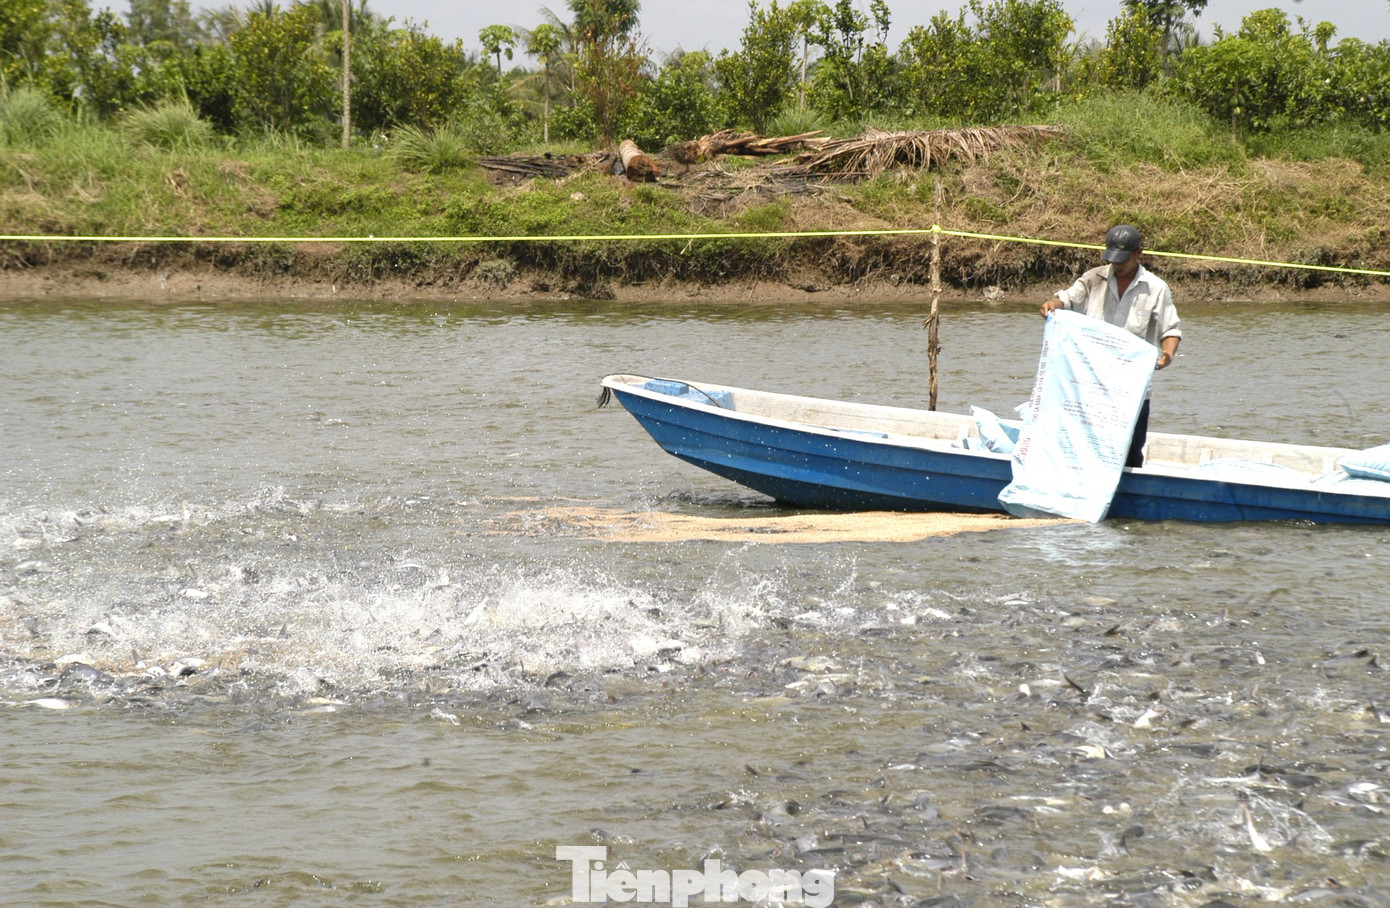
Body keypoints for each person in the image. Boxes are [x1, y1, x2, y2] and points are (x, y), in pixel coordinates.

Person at [1039, 224, 1181, 467]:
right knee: (1088, 444)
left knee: (1131, 450)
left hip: (1132, 386)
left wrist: (1167, 355)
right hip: (1092, 382)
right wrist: (1053, 303)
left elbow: (1170, 329)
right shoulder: (1095, 278)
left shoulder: (1155, 287)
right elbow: (1068, 298)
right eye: (1113, 259)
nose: (1117, 264)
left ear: (1139, 253)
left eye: (1123, 259)